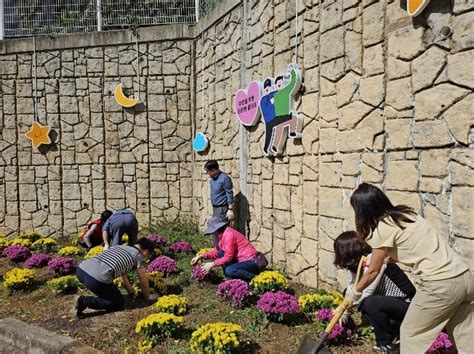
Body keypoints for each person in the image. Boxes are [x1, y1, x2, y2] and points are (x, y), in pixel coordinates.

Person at [346, 183, 473, 353]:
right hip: (464, 278)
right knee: (464, 333)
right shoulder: (407, 214)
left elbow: (373, 272)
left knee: (411, 333)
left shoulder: (383, 229)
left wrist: (354, 294)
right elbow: (415, 247)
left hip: (441, 285)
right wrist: (388, 259)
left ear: (363, 211)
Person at [334, 231, 416, 352]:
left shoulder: (374, 260)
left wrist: (346, 307)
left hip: (407, 304)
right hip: (389, 302)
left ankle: (387, 342)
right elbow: (353, 287)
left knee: (370, 303)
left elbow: (367, 291)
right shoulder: (358, 264)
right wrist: (342, 309)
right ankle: (346, 326)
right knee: (348, 292)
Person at [74, 237, 158, 317]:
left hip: (81, 270)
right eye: (148, 255)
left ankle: (90, 297)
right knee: (117, 303)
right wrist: (148, 297)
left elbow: (122, 275)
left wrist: (131, 292)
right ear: (146, 251)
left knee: (107, 290)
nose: (146, 257)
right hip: (95, 279)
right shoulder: (138, 256)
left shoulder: (120, 246)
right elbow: (143, 280)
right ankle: (83, 301)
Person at [191, 216, 267, 281]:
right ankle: (234, 278)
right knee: (221, 253)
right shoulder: (222, 236)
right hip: (240, 261)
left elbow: (228, 257)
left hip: (252, 262)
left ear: (217, 229)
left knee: (229, 270)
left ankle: (254, 279)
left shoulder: (228, 235)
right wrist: (201, 256)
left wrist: (212, 264)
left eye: (212, 231)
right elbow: (216, 252)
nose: (212, 233)